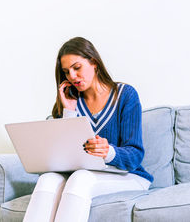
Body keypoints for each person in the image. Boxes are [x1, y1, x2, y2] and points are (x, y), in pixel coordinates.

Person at [23, 37, 153, 222]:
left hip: (129, 175)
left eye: (77, 68)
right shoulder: (71, 103)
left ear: (94, 62)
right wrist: (69, 111)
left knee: (81, 179)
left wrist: (108, 152)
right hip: (83, 174)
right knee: (48, 180)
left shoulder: (125, 95)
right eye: (66, 72)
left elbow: (135, 156)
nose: (72, 77)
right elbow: (64, 158)